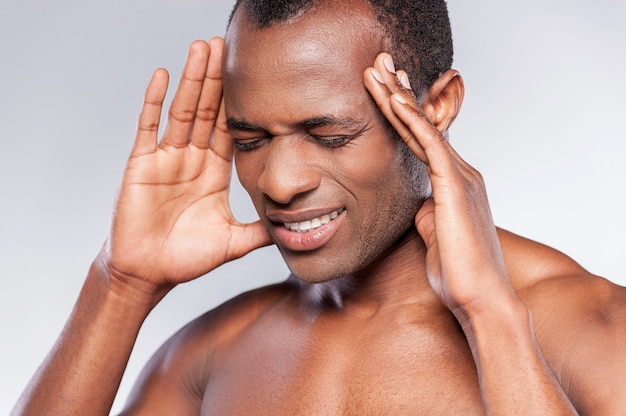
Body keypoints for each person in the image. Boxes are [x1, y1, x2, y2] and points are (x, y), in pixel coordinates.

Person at [11, 0, 626, 414]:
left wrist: (490, 315)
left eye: (330, 136)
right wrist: (118, 286)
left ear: (435, 107)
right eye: (249, 140)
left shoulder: (591, 328)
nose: (279, 182)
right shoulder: (210, 357)